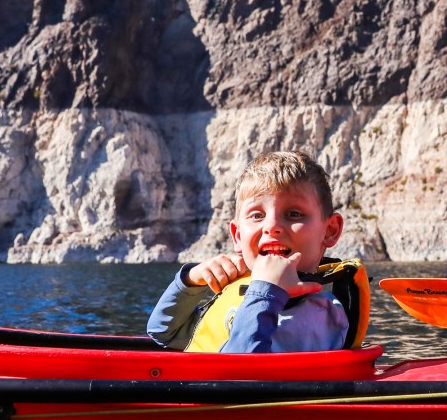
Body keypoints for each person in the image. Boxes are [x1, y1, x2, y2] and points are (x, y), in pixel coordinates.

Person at [148, 151, 368, 352]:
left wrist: (265, 292)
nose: (271, 226)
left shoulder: (321, 317)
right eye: (256, 216)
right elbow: (163, 334)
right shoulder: (239, 291)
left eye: (294, 214)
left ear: (329, 231)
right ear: (237, 235)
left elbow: (240, 375)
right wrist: (190, 281)